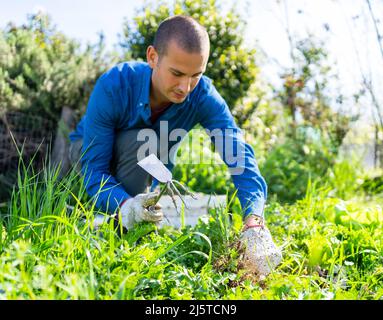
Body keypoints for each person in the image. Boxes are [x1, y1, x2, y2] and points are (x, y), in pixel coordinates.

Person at [68, 15, 282, 277]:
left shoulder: (203, 95)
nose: (185, 88)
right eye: (177, 73)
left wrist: (254, 221)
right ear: (153, 57)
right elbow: (94, 168)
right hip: (85, 158)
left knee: (150, 157)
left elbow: (239, 156)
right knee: (141, 144)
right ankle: (109, 224)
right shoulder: (115, 85)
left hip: (140, 168)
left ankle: (117, 224)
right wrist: (126, 205)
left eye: (196, 75)